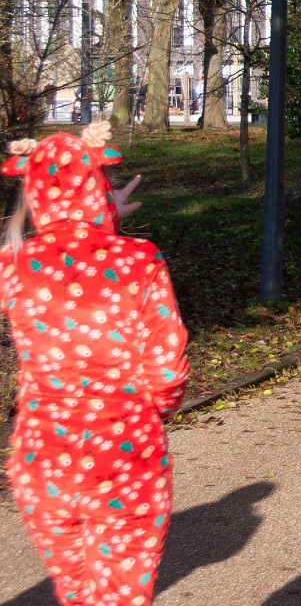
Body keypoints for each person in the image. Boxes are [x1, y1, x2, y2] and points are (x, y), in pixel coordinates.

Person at [3, 123, 190, 605]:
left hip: (41, 456)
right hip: (123, 451)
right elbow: (167, 369)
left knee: (75, 590)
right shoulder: (139, 261)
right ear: (97, 187)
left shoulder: (12, 264)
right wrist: (154, 412)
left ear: (33, 193)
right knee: (119, 594)